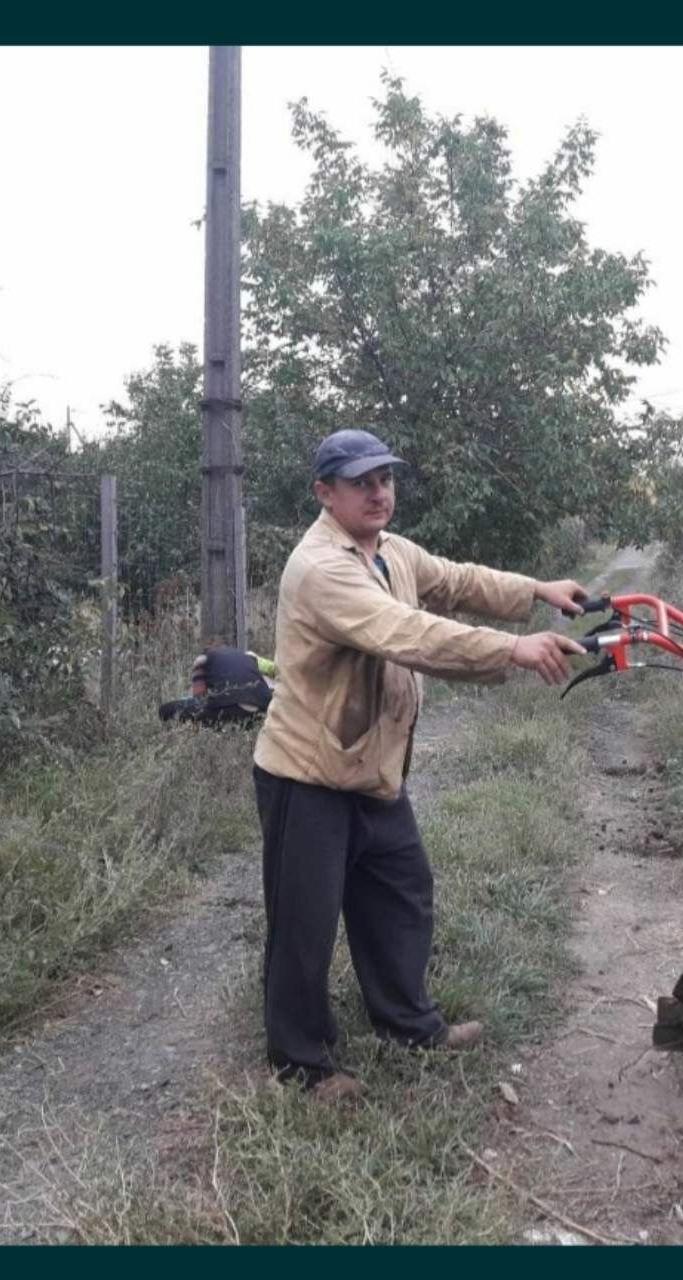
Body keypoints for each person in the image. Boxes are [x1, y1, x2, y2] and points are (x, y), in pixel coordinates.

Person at [251, 428, 587, 1101]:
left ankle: (408, 1024)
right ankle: (302, 1064)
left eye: (386, 479)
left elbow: (458, 582)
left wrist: (535, 590)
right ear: (325, 493)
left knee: (401, 895)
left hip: (373, 767)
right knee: (305, 925)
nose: (379, 493)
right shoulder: (323, 568)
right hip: (307, 773)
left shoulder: (391, 552)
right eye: (360, 482)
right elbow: (406, 634)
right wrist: (510, 650)